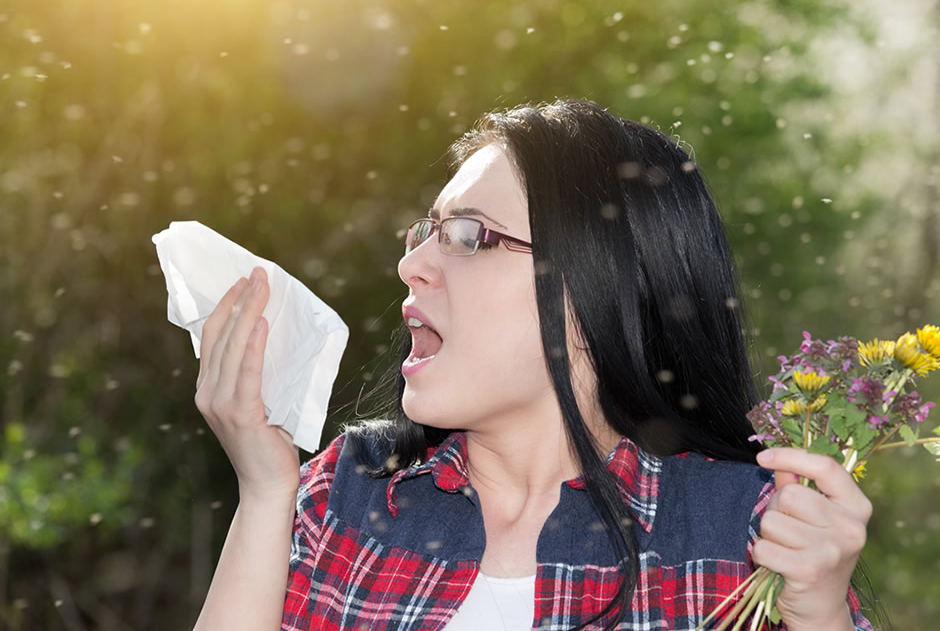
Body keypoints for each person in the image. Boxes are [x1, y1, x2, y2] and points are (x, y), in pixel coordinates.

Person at [191, 99, 874, 630]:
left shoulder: (748, 534)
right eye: (425, 232)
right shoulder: (347, 493)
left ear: (599, 287)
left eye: (468, 236)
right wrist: (263, 494)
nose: (410, 265)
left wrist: (822, 617)